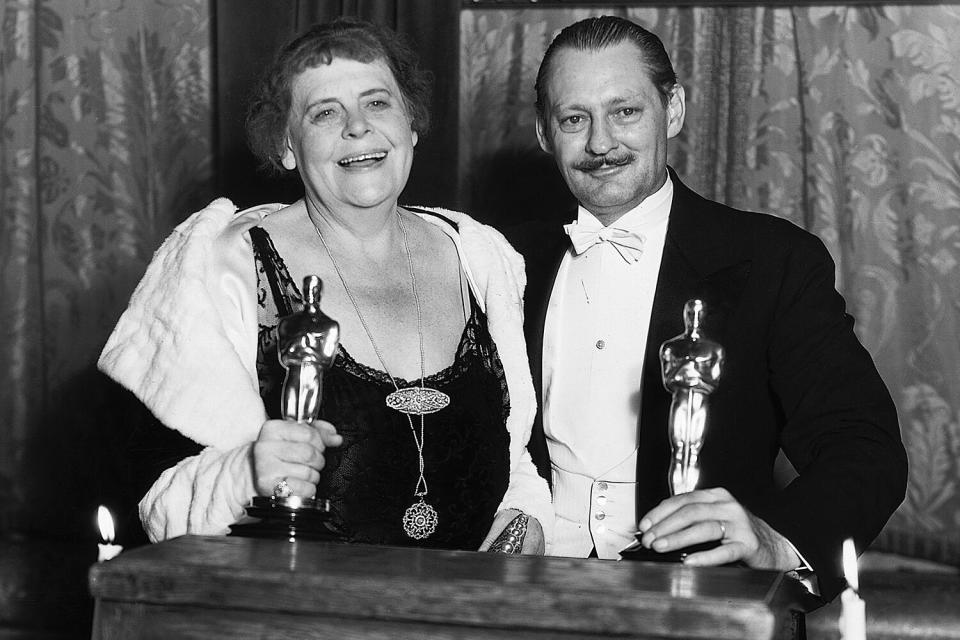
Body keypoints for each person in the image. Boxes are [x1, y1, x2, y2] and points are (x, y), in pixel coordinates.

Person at [98, 18, 551, 553]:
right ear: (287, 146)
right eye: (325, 112)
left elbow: (512, 454)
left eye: (378, 103)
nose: (357, 127)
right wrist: (246, 473)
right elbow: (159, 504)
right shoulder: (222, 266)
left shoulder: (480, 257)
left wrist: (525, 525)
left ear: (411, 126)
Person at [505, 15, 906, 599]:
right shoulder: (500, 261)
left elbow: (863, 446)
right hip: (517, 602)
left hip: (698, 608)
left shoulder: (774, 261)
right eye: (574, 119)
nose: (600, 143)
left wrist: (774, 541)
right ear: (545, 133)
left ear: (672, 110)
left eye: (625, 112)